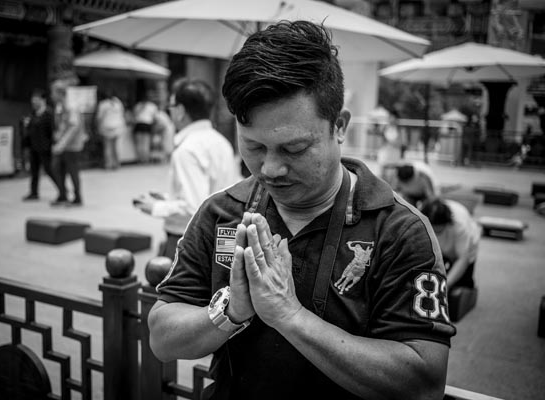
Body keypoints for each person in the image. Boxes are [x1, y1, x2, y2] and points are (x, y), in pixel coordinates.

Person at [148, 21, 455, 400]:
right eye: (253, 147)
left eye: (293, 149)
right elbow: (161, 338)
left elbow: (424, 383)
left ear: (339, 125)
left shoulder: (399, 230)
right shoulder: (222, 212)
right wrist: (230, 310)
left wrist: (289, 315)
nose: (270, 169)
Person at [134, 78, 239, 259]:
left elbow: (194, 207)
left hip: (189, 241)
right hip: (221, 237)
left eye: (171, 106)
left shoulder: (187, 150)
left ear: (181, 111)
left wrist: (155, 207)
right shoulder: (221, 142)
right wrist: (168, 198)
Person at [420, 198, 480, 291]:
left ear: (446, 223)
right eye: (432, 228)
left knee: (462, 282)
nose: (434, 232)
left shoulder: (460, 225)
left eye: (438, 230)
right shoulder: (419, 219)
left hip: (463, 248)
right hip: (440, 247)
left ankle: (468, 294)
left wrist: (445, 286)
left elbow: (462, 259)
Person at [50, 81, 88, 207]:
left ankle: (77, 198)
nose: (51, 95)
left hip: (72, 146)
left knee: (72, 171)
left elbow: (73, 126)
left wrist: (61, 143)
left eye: (53, 92)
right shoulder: (61, 106)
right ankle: (63, 195)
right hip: (65, 145)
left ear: (60, 93)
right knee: (57, 168)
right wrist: (58, 135)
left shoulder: (71, 106)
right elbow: (63, 125)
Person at [21, 89, 56, 201]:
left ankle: (62, 190)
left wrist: (51, 145)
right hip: (34, 147)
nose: (34, 102)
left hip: (45, 148)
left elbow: (52, 131)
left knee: (49, 170)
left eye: (36, 100)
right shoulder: (33, 113)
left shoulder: (49, 114)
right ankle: (34, 192)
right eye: (33, 100)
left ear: (43, 100)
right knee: (34, 171)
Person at [96, 91, 126, 170]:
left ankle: (108, 164)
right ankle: (117, 163)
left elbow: (99, 117)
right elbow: (122, 114)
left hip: (107, 126)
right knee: (117, 147)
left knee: (108, 147)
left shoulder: (103, 104)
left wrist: (98, 127)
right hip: (118, 126)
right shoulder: (118, 103)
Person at [132, 99, 159, 163]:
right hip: (146, 125)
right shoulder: (152, 106)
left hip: (139, 125)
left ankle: (141, 159)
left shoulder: (138, 105)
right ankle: (145, 159)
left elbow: (134, 115)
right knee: (145, 143)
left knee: (140, 143)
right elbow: (155, 117)